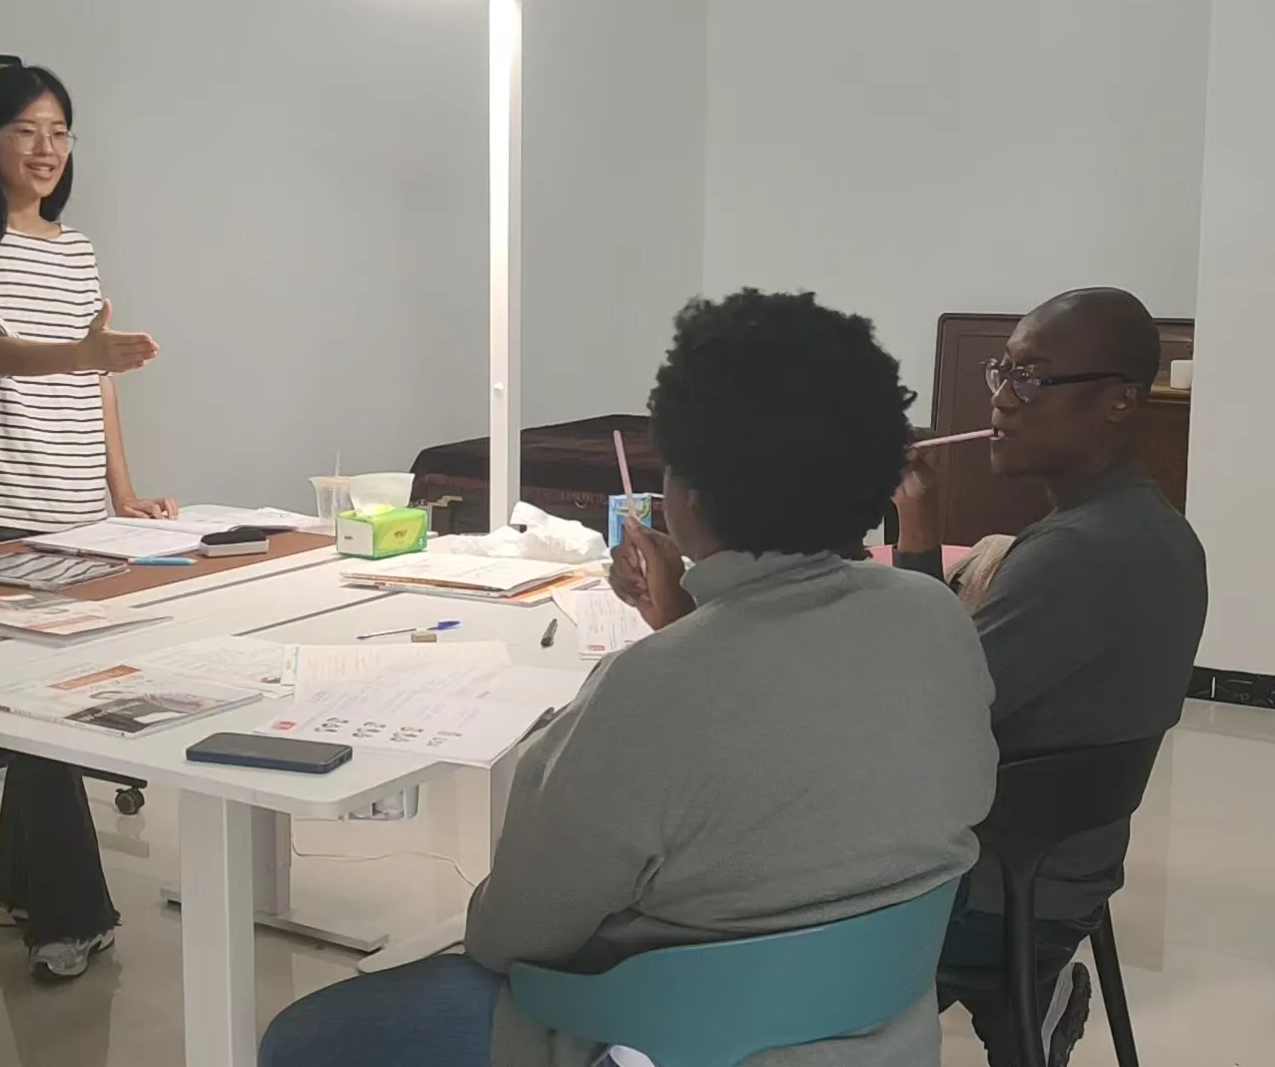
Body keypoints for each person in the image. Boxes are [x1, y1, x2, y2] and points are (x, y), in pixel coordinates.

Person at [259, 289, 1000, 1067]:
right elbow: (795, 721)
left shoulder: (649, 689)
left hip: (661, 1041)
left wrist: (683, 643)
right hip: (883, 1035)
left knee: (305, 1039)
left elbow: (508, 937)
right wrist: (687, 623)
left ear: (686, 493)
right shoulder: (937, 620)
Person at [894, 287, 1208, 1066]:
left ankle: (1007, 993)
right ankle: (1027, 1001)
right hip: (1064, 866)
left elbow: (916, 716)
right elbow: (947, 677)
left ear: (1117, 403)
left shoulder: (1079, 553)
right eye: (1003, 371)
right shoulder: (1153, 528)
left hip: (999, 890)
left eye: (1031, 379)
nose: (1000, 397)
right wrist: (919, 535)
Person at [0, 65, 175, 981]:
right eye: (26, 130)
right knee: (54, 715)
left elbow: (97, 382)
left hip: (78, 518)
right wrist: (84, 350)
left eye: (60, 130)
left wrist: (125, 494)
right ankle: (70, 917)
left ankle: (12, 884)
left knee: (39, 711)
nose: (48, 148)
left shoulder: (74, 248)